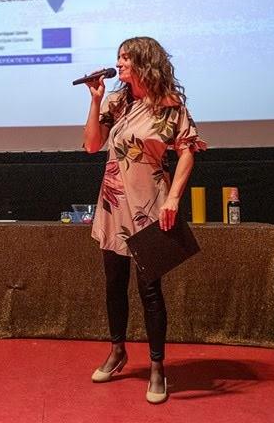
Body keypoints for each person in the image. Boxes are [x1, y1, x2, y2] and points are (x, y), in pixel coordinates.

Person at [82, 37, 205, 404]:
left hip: (150, 202)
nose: (119, 63)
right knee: (114, 282)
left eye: (125, 57)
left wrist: (174, 198)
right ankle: (117, 351)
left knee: (149, 288)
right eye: (118, 57)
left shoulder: (170, 106)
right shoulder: (116, 102)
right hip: (113, 202)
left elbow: (187, 152)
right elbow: (92, 145)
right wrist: (94, 100)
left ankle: (156, 366)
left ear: (144, 62)